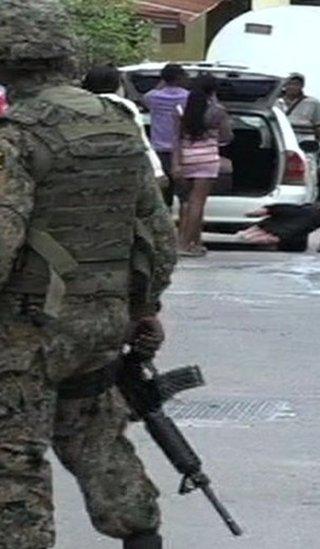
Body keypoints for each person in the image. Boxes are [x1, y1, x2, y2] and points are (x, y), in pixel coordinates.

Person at [0, 1, 178, 548]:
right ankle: (140, 536)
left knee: (13, 460)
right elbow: (156, 233)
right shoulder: (117, 124)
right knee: (96, 440)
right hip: (103, 321)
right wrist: (143, 308)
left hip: (30, 328)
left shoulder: (16, 135)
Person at [171, 73, 233, 257]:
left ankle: (195, 242)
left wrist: (176, 164)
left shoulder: (181, 109)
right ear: (212, 91)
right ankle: (184, 244)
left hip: (186, 160)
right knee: (198, 203)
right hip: (207, 161)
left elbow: (175, 139)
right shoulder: (218, 111)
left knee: (187, 203)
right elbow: (226, 137)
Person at [82, 65, 166, 186]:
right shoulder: (124, 105)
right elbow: (141, 139)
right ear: (117, 85)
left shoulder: (82, 104)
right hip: (123, 165)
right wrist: (157, 170)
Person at [142, 63, 189, 207]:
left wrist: (162, 82)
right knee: (184, 196)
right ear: (180, 77)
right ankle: (184, 225)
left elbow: (145, 99)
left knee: (162, 194)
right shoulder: (188, 97)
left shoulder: (153, 97)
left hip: (159, 150)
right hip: (182, 151)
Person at [281, 72, 320, 143]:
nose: (292, 87)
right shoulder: (274, 102)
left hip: (305, 141)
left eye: (296, 84)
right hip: (281, 141)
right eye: (289, 84)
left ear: (302, 86)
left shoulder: (313, 103)